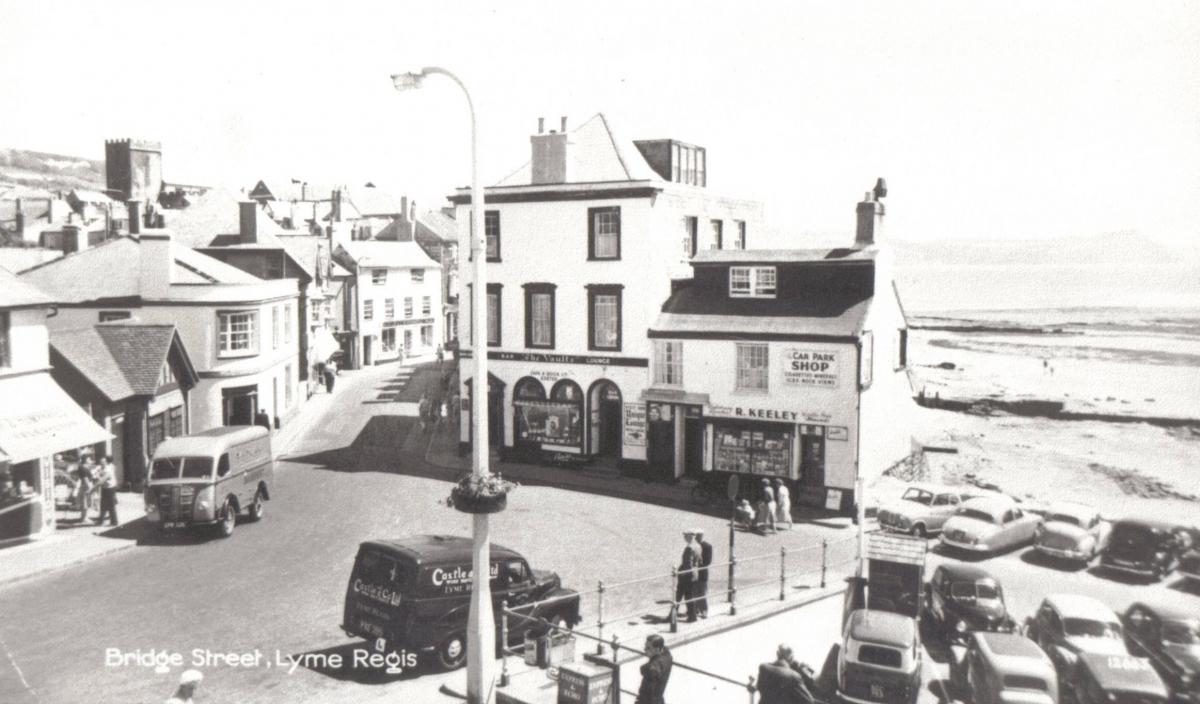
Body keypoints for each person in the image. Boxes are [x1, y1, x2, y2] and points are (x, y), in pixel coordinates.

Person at [636, 635, 673, 704]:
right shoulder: (666, 656)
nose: (645, 650)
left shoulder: (655, 666)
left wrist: (643, 668)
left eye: (648, 648)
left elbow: (651, 670)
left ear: (658, 649)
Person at [672, 530, 699, 623]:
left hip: (686, 575)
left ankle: (672, 616)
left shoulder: (689, 548)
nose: (684, 537)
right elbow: (699, 560)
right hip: (694, 574)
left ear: (689, 536)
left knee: (678, 596)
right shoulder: (698, 546)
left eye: (685, 536)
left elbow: (688, 563)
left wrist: (682, 572)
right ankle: (692, 616)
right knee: (689, 596)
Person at [95, 456, 119, 526]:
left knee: (111, 505)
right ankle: (100, 520)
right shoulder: (101, 468)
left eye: (103, 462)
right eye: (100, 462)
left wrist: (98, 476)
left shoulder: (109, 469)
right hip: (105, 488)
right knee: (103, 505)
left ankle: (114, 522)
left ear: (106, 462)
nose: (101, 463)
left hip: (110, 488)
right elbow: (97, 474)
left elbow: (101, 480)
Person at [694, 528, 713, 619]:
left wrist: (699, 562)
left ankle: (704, 610)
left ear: (701, 536)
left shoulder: (707, 546)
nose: (696, 538)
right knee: (695, 591)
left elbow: (708, 561)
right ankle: (696, 609)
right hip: (694, 572)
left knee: (702, 592)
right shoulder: (694, 546)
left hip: (702, 573)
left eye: (698, 536)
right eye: (696, 536)